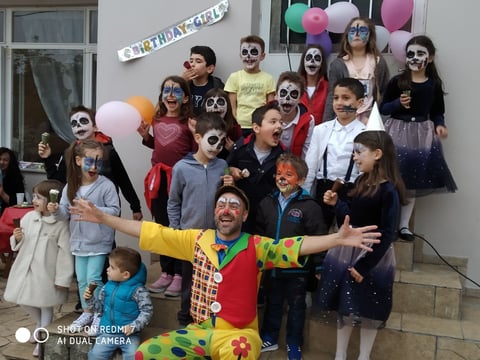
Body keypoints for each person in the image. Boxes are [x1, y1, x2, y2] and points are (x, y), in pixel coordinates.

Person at [72, 185, 381, 360]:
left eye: (235, 205)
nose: (227, 208)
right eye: (222, 203)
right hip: (199, 332)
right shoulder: (195, 240)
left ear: (244, 215)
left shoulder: (256, 245)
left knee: (240, 352)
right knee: (146, 354)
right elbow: (148, 230)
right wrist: (103, 218)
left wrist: (337, 238)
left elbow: (296, 245)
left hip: (239, 334)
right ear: (215, 213)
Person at [314, 130, 406, 360]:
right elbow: (351, 218)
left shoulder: (389, 192)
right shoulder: (360, 181)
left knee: (368, 308)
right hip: (347, 250)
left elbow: (387, 234)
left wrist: (364, 266)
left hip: (371, 256)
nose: (354, 157)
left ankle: (364, 356)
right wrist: (337, 204)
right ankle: (340, 355)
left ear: (377, 154)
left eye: (358, 152)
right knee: (345, 305)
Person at [380, 35, 457, 241]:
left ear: (429, 58)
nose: (414, 58)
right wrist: (398, 104)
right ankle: (388, 223)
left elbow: (438, 111)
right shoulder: (397, 82)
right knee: (391, 177)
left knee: (412, 182)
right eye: (411, 54)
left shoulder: (433, 85)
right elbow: (383, 108)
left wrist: (440, 125)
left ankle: (403, 226)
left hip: (421, 134)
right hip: (396, 132)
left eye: (420, 54)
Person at [257, 153, 327, 360]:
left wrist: (320, 267)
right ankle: (269, 337)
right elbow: (259, 235)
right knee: (273, 303)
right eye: (279, 173)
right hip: (271, 267)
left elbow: (319, 237)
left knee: (297, 307)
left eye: (289, 174)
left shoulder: (310, 206)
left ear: (302, 180)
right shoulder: (266, 203)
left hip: (298, 270)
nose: (282, 178)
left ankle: (294, 343)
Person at [167, 112, 233, 326]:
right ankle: (185, 320)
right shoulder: (181, 168)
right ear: (197, 138)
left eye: (222, 142)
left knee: (214, 280)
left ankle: (210, 320)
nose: (217, 146)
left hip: (216, 237)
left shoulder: (222, 165)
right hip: (189, 236)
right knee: (190, 281)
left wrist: (229, 185)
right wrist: (176, 230)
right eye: (212, 140)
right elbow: (174, 201)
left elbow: (227, 199)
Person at [48, 139, 120, 333]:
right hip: (78, 242)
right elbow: (65, 213)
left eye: (99, 162)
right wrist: (55, 210)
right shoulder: (71, 186)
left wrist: (94, 210)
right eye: (90, 161)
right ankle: (87, 312)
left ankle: (98, 314)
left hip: (99, 242)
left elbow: (115, 211)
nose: (95, 166)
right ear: (78, 161)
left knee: (93, 278)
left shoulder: (106, 185)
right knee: (81, 279)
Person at [137, 75, 197, 295]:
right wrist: (146, 137)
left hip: (180, 180)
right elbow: (158, 145)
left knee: (178, 227)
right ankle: (166, 272)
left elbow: (193, 151)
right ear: (161, 96)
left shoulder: (189, 122)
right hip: (159, 180)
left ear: (186, 98)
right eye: (166, 91)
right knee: (162, 225)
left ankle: (180, 274)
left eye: (177, 91)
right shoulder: (157, 119)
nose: (171, 95)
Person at [4, 179, 73, 357]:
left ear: (52, 201)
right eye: (34, 196)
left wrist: (62, 279)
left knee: (45, 305)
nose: (35, 200)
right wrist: (17, 238)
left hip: (47, 273)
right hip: (25, 269)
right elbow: (19, 243)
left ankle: (42, 338)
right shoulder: (28, 218)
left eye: (40, 197)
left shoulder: (60, 224)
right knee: (22, 298)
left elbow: (65, 253)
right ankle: (39, 324)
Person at [37, 105, 143, 221]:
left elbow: (122, 179)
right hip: (78, 214)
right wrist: (48, 159)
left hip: (104, 211)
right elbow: (58, 182)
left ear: (95, 127)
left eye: (83, 121)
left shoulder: (108, 152)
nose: (78, 126)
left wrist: (135, 206)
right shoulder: (70, 153)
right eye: (74, 124)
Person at [304, 78, 366, 229]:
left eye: (346, 98)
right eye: (336, 98)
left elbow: (366, 169)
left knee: (347, 231)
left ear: (359, 103)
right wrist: (304, 193)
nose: (339, 103)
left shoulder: (365, 132)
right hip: (323, 187)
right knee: (318, 230)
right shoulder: (321, 130)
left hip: (351, 191)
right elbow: (311, 164)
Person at [85, 247, 153, 360]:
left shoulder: (138, 290)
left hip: (129, 335)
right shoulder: (107, 287)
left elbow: (147, 311)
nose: (107, 270)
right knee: (95, 355)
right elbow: (99, 309)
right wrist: (90, 299)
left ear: (125, 274)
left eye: (112, 267)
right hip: (107, 332)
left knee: (133, 355)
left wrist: (134, 326)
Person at [227, 102, 284, 233]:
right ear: (256, 128)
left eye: (281, 122)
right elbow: (225, 167)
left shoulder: (284, 156)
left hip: (268, 218)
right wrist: (231, 172)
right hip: (241, 216)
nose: (279, 126)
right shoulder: (240, 149)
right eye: (273, 122)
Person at [323, 17, 389, 123]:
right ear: (347, 35)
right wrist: (327, 122)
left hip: (369, 120)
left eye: (362, 30)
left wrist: (380, 119)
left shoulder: (378, 62)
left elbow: (384, 93)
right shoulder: (338, 64)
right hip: (344, 119)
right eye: (352, 31)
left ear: (370, 35)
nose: (357, 34)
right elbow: (332, 95)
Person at [224, 35, 276, 133]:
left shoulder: (268, 79)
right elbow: (232, 106)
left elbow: (270, 106)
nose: (248, 56)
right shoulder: (234, 77)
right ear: (240, 55)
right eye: (245, 52)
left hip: (260, 126)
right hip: (239, 126)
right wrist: (235, 123)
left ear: (262, 56)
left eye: (254, 52)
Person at [275, 71, 315, 159]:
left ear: (300, 99)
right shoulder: (266, 115)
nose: (287, 98)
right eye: (283, 93)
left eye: (293, 94)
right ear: (276, 95)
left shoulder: (308, 121)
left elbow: (306, 153)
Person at [182, 45, 225, 116]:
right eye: (191, 61)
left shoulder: (217, 86)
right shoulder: (184, 85)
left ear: (210, 69)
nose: (192, 64)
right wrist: (181, 82)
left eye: (198, 61)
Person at [202, 88, 242, 159]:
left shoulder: (235, 129)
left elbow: (242, 157)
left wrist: (234, 149)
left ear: (227, 106)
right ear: (205, 106)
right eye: (211, 102)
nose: (215, 106)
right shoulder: (200, 127)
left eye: (220, 102)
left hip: (226, 167)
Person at [298, 44, 329, 125]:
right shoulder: (296, 87)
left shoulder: (328, 88)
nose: (312, 61)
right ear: (303, 62)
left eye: (317, 58)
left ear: (322, 63)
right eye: (308, 58)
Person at [0, 147, 25, 214]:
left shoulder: (16, 178)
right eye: (0, 159)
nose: (1, 162)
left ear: (10, 162)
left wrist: (2, 193)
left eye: (5, 160)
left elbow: (19, 203)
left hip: (6, 213)